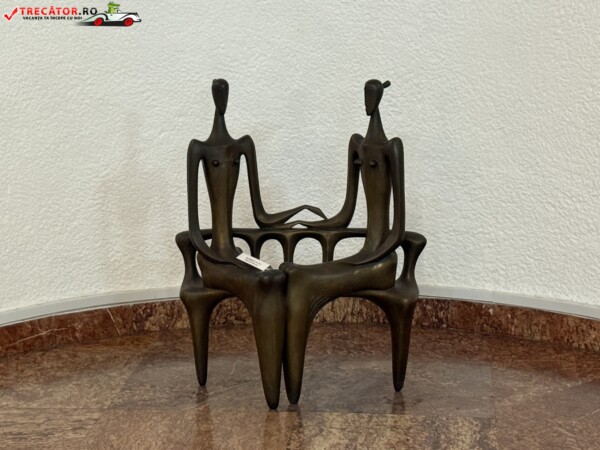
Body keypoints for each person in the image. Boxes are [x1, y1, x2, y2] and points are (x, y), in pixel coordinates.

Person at [280, 79, 407, 403]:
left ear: (379, 98)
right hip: (364, 255)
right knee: (292, 273)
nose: (367, 102)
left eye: (371, 96)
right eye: (365, 96)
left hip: (381, 260)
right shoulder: (356, 144)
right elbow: (346, 213)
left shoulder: (392, 147)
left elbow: (398, 227)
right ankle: (289, 388)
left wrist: (368, 257)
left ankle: (292, 391)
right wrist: (312, 221)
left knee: (302, 279)